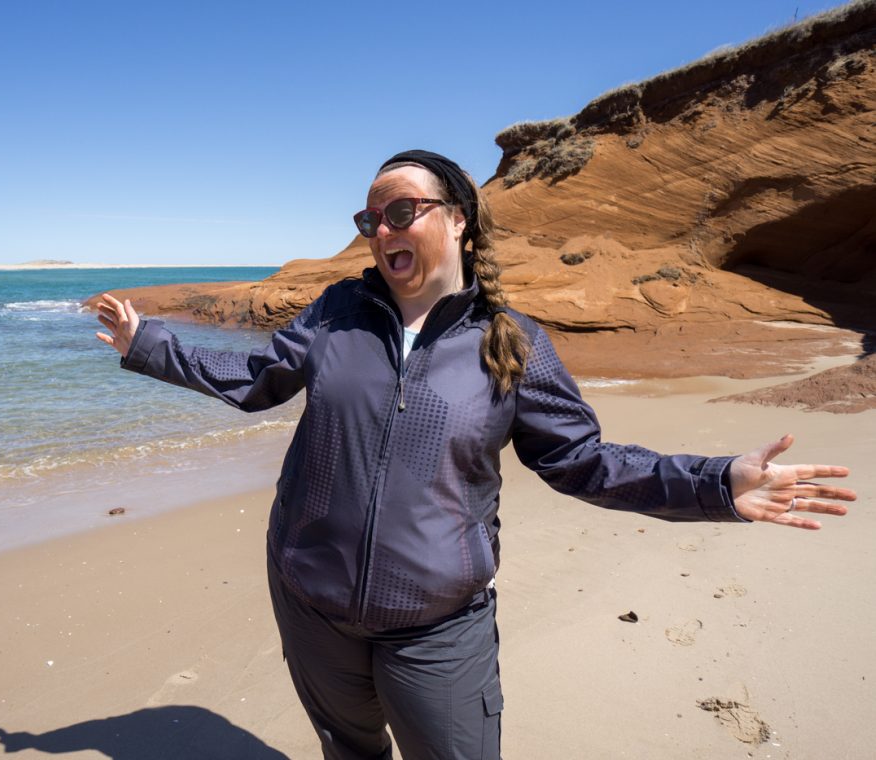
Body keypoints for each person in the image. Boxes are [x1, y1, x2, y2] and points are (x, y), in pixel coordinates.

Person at [95, 149, 854, 760]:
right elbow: (257, 379)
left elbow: (584, 462)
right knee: (345, 749)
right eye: (370, 218)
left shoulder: (513, 342)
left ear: (457, 221)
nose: (384, 229)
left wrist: (718, 484)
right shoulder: (336, 313)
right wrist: (148, 345)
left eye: (403, 211)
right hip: (310, 603)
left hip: (436, 627)